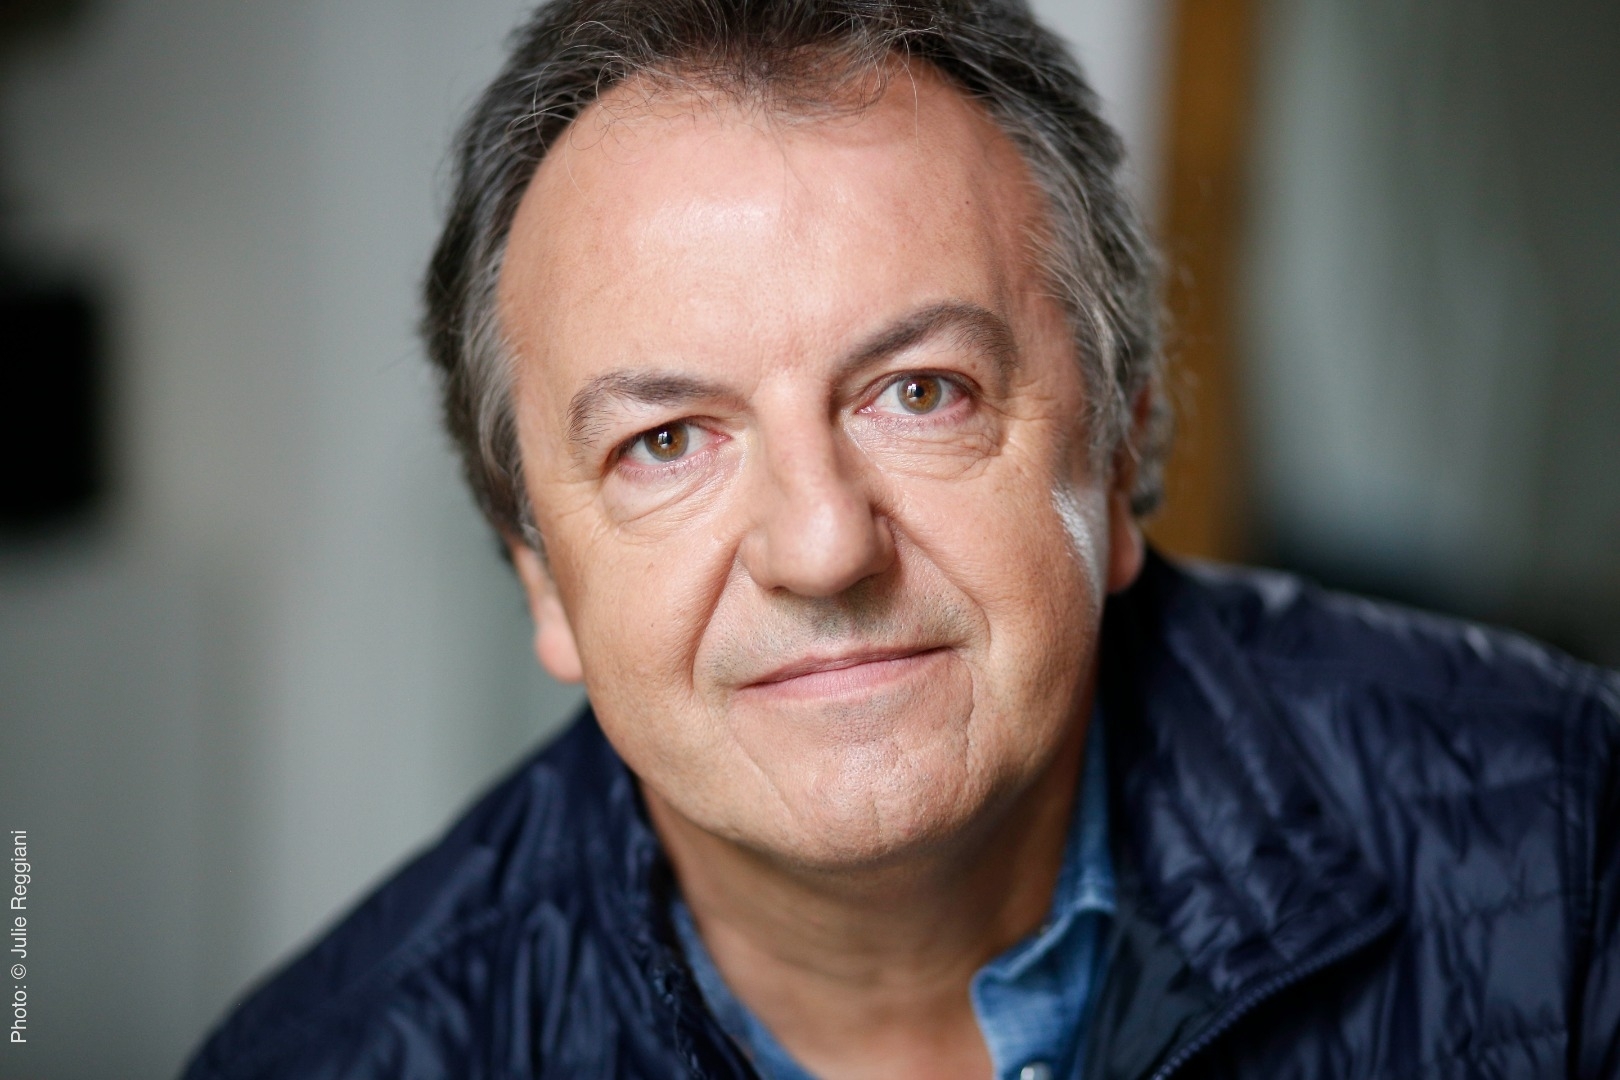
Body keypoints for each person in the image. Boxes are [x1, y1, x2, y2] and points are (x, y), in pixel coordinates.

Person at [182, 1, 1620, 1077]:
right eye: (665, 441)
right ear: (541, 579)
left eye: (920, 393)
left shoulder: (1574, 849)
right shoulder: (328, 1060)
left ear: (1120, 450)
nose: (822, 547)